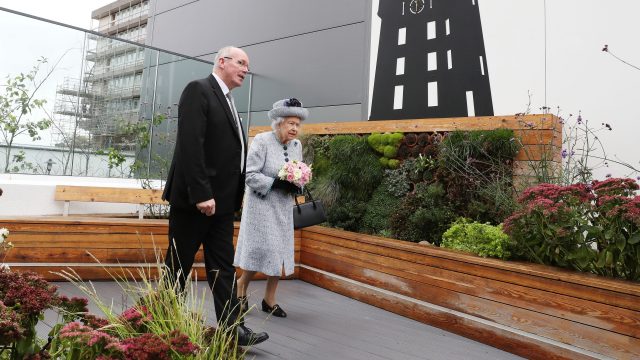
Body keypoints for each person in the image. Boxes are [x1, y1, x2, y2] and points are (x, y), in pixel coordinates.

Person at [162, 46, 268, 346]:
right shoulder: (199, 90)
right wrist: (201, 194)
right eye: (241, 63)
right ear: (221, 62)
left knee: (223, 268)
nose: (246, 70)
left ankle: (233, 329)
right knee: (177, 267)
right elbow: (190, 145)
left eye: (248, 65)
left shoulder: (229, 100)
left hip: (221, 205)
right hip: (196, 202)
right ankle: (163, 324)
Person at [234, 98, 308, 318]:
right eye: (290, 123)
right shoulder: (262, 140)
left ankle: (269, 299)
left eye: (297, 124)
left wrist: (298, 184)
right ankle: (241, 288)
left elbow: (299, 172)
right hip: (261, 207)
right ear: (278, 123)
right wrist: (275, 182)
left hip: (283, 207)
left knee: (280, 252)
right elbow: (249, 174)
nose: (294, 128)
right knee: (260, 250)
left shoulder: (297, 146)